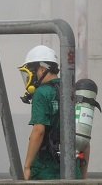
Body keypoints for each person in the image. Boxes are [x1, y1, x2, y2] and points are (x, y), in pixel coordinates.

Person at [19, 45, 88, 180]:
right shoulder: (71, 91)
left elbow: (39, 131)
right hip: (73, 172)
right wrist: (83, 175)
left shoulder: (42, 93)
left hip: (46, 172)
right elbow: (83, 136)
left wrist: (27, 166)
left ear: (42, 69)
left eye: (32, 71)